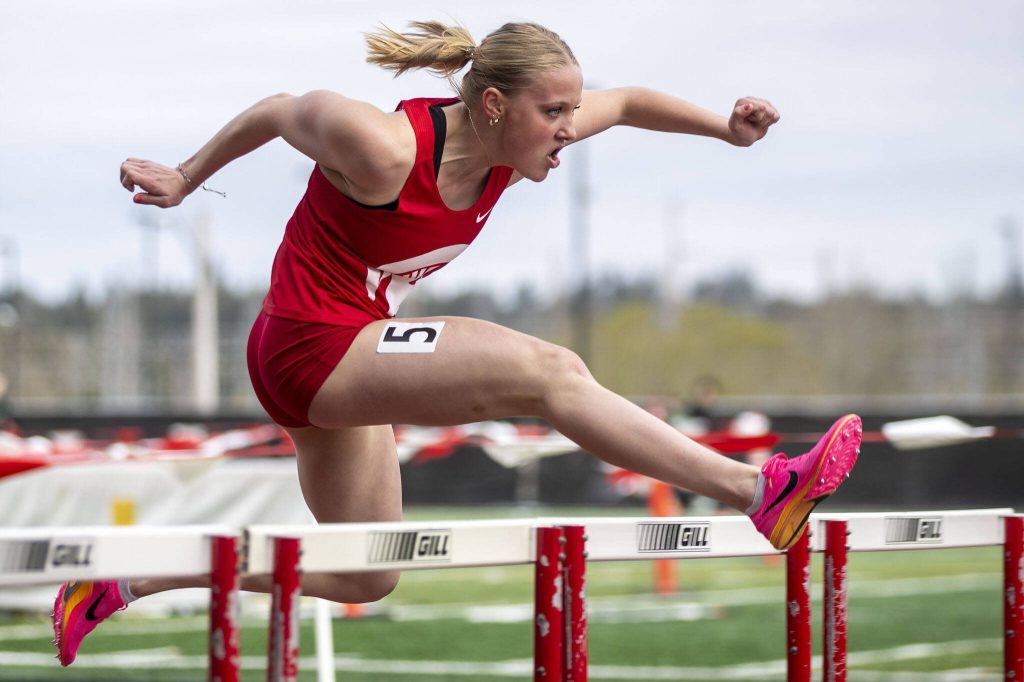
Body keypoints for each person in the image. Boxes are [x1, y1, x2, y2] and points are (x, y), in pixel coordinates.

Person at [53, 20, 861, 666]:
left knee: (368, 570)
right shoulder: (385, 151)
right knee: (549, 372)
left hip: (345, 355)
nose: (570, 131)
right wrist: (186, 178)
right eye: (554, 114)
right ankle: (759, 492)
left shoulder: (527, 142)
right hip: (309, 343)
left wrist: (726, 129)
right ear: (494, 108)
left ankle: (120, 582)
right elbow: (280, 108)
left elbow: (633, 99)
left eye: (571, 113)